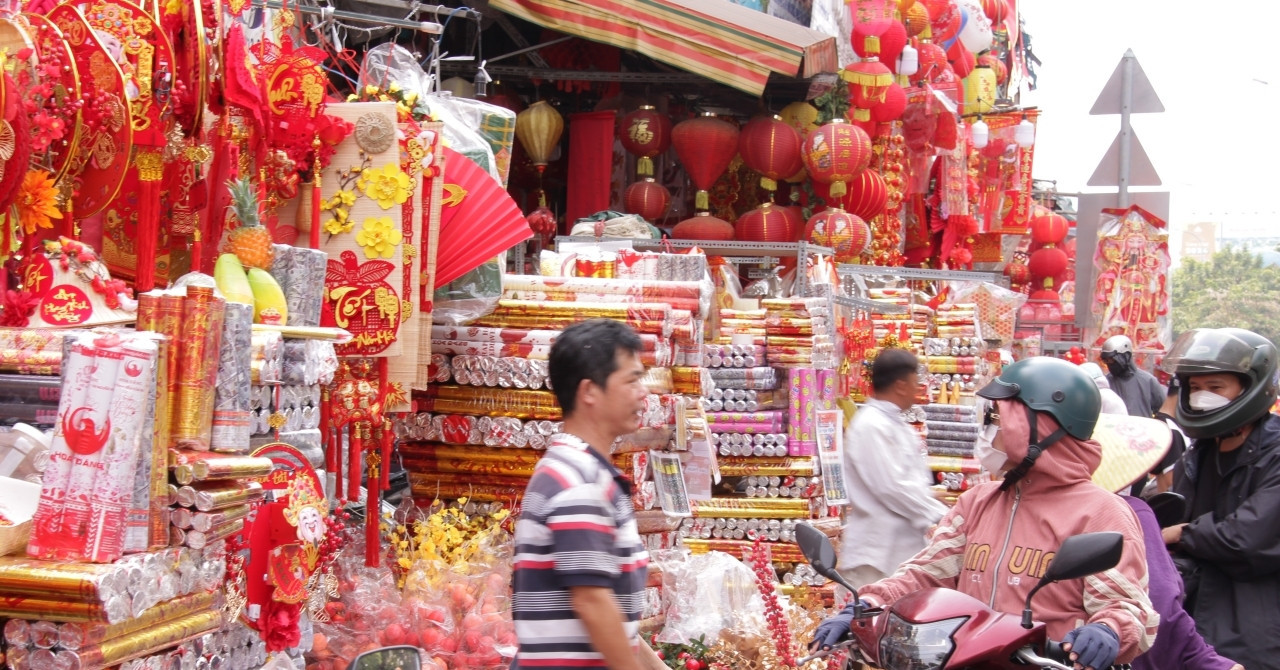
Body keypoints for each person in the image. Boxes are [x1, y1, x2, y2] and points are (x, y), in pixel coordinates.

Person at [813, 357, 1157, 670]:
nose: (989, 431)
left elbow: (1128, 607)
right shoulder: (978, 502)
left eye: (997, 418)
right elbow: (926, 574)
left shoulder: (1101, 513)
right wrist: (868, 602)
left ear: (1039, 426)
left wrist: (1109, 630)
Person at [510, 319, 666, 670]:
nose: (643, 393)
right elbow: (593, 602)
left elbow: (609, 612)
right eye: (631, 380)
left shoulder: (583, 471)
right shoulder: (578, 481)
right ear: (590, 392)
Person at [1163, 327, 1280, 670]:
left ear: (1250, 389)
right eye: (1195, 388)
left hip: (1255, 634)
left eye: (1216, 388)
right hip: (1191, 626)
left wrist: (1182, 533)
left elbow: (1246, 539)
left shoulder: (1275, 454)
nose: (1202, 397)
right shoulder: (1196, 455)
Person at [837, 348, 947, 588]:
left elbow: (904, 483)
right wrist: (942, 515)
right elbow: (891, 487)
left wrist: (930, 499)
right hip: (876, 557)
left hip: (898, 553)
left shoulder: (895, 424)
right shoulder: (871, 426)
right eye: (915, 383)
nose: (918, 390)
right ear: (900, 385)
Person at [1100, 334, 1165, 418]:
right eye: (1106, 361)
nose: (1109, 364)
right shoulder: (1107, 383)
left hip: (1142, 429)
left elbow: (1162, 412)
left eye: (1112, 360)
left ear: (1126, 356)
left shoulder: (1148, 381)